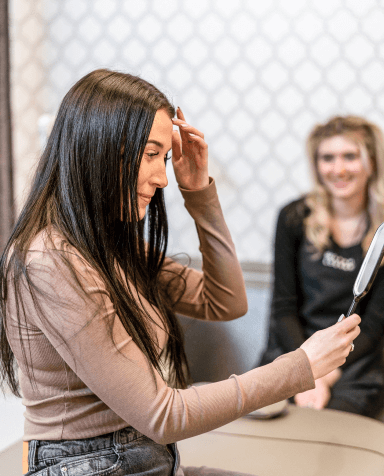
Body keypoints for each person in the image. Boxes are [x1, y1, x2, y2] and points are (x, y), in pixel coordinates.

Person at [0, 70, 360, 476]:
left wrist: (200, 192)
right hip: (89, 466)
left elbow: (225, 301)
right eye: (151, 155)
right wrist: (300, 367)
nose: (162, 178)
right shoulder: (50, 262)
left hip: (142, 458)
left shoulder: (108, 249)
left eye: (165, 158)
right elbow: (163, 415)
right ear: (102, 150)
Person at [258, 115, 384, 418]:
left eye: (350, 156)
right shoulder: (293, 218)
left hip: (352, 366)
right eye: (328, 158)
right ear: (316, 165)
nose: (338, 169)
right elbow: (284, 308)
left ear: (372, 163)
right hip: (291, 354)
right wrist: (304, 372)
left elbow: (374, 325)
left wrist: (324, 375)